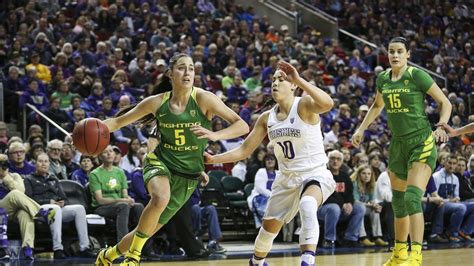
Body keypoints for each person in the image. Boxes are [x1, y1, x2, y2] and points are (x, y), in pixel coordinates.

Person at [95, 53, 249, 265]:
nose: (187, 73)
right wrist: (92, 126)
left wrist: (215, 135)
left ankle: (108, 255)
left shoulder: (204, 98)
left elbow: (242, 125)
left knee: (145, 230)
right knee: (160, 197)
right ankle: (133, 257)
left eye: (191, 68)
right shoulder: (157, 103)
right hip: (160, 162)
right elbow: (117, 122)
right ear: (170, 74)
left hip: (187, 175)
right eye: (181, 68)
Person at [205, 60, 335, 266]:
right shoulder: (267, 118)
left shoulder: (303, 104)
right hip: (286, 178)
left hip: (315, 173)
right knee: (268, 229)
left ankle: (307, 261)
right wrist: (214, 159)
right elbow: (244, 150)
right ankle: (256, 262)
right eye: (273, 79)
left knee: (308, 204)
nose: (275, 83)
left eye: (281, 79)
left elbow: (328, 104)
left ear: (293, 85)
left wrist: (299, 79)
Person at [352, 37, 452, 266]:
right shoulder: (383, 79)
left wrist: (441, 126)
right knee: (398, 202)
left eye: (399, 51)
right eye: (391, 51)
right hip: (398, 144)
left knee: (411, 197)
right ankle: (399, 254)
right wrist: (361, 128)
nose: (395, 55)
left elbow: (445, 103)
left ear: (408, 54)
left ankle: (416, 255)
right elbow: (377, 106)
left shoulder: (416, 75)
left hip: (421, 141)